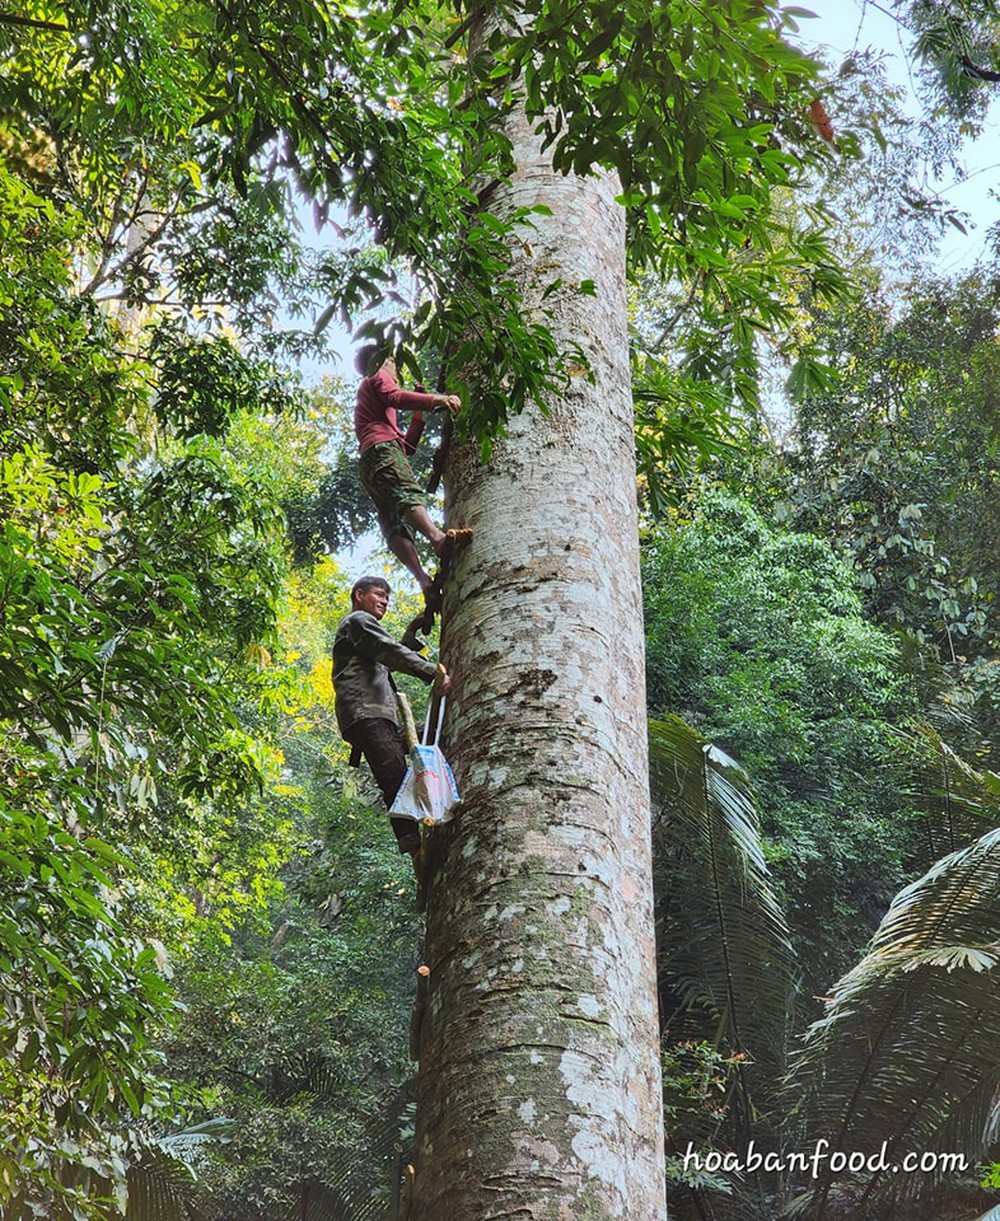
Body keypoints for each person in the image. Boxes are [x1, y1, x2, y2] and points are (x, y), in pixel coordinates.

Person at [332, 575, 452, 871]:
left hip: (378, 716)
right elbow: (386, 650)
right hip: (366, 712)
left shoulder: (363, 632)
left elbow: (387, 653)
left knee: (426, 742)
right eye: (378, 594)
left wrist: (412, 633)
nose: (384, 601)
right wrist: (430, 672)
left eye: (387, 597)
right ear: (359, 595)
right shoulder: (357, 621)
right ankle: (413, 847)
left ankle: (418, 834)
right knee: (394, 775)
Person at [354, 345, 473, 610]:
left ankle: (424, 582)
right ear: (384, 360)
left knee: (394, 522)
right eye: (395, 363)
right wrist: (436, 400)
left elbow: (406, 447)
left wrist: (419, 411)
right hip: (382, 451)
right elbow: (395, 396)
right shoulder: (377, 373)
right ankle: (437, 538)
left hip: (372, 462)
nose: (396, 370)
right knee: (407, 491)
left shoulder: (371, 403)